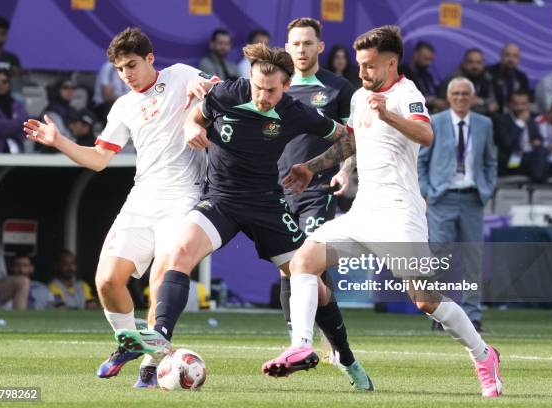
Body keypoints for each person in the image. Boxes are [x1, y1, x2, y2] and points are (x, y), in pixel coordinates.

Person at [115, 43, 373, 391]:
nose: (263, 95)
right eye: (258, 87)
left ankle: (345, 356)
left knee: (316, 284)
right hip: (220, 200)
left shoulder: (297, 112)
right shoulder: (227, 92)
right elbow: (196, 117)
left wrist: (312, 168)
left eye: (271, 90)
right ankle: (160, 335)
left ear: (286, 85)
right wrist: (192, 128)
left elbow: (348, 139)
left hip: (267, 204)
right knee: (178, 255)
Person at [264, 26, 503, 398]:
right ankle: (301, 344)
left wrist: (389, 115)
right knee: (303, 262)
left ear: (391, 63)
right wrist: (313, 166)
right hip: (363, 212)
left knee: (425, 300)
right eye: (360, 65)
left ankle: (484, 355)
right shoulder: (360, 96)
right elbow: (353, 142)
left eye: (370, 66)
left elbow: (426, 136)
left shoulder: (408, 95)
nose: (362, 73)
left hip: (399, 213)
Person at [23, 27, 216, 388]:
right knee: (107, 280)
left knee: (162, 278)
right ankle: (128, 342)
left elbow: (225, 90)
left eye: (132, 65)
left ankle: (151, 361)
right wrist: (59, 141)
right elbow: (98, 160)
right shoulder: (124, 106)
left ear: (150, 59)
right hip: (141, 200)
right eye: (120, 69)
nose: (127, 74)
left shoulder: (181, 75)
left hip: (183, 199)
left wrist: (204, 91)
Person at [279, 17, 356, 368]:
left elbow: (352, 138)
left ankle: (317, 342)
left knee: (307, 261)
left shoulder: (339, 88)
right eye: (295, 43)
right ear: (287, 47)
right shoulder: (273, 87)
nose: (301, 49)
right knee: (287, 265)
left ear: (320, 47)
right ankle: (299, 337)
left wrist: (345, 170)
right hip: (276, 191)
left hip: (318, 189)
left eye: (308, 43)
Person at [418, 77, 498, 332]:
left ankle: (473, 316)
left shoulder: (484, 124)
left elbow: (490, 161)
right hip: (443, 198)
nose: (461, 98)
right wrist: (427, 191)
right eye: (456, 94)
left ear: (473, 98)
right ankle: (439, 315)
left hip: (473, 198)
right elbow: (422, 160)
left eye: (466, 94)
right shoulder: (437, 121)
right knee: (440, 258)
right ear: (448, 97)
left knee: (473, 259)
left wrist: (487, 188)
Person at [494, 90, 544, 178]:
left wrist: (537, 141)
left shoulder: (531, 119)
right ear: (509, 104)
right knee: (538, 159)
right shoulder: (501, 120)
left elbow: (538, 137)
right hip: (511, 160)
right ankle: (539, 179)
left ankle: (539, 178)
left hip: (529, 155)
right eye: (516, 104)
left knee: (542, 152)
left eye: (524, 104)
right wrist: (520, 122)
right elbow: (507, 144)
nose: (520, 107)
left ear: (529, 104)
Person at [439, 49, 498, 116]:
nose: (475, 66)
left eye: (478, 62)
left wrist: (479, 101)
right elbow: (450, 105)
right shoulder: (455, 79)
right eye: (470, 62)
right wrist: (483, 105)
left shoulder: (486, 78)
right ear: (464, 63)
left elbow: (493, 104)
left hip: (480, 117)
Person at [399, 41, 447, 113]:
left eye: (431, 60)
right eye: (425, 58)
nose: (428, 63)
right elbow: (406, 97)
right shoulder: (402, 72)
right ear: (415, 55)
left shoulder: (427, 75)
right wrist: (432, 101)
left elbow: (433, 92)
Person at [487, 43, 530, 114]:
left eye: (515, 56)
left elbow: (526, 100)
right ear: (501, 56)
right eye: (507, 55)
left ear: (519, 59)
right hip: (492, 114)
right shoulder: (489, 73)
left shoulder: (522, 77)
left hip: (513, 116)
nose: (511, 59)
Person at [93, 61, 130, 125]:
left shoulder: (128, 70)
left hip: (122, 104)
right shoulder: (109, 68)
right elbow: (107, 97)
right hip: (103, 105)